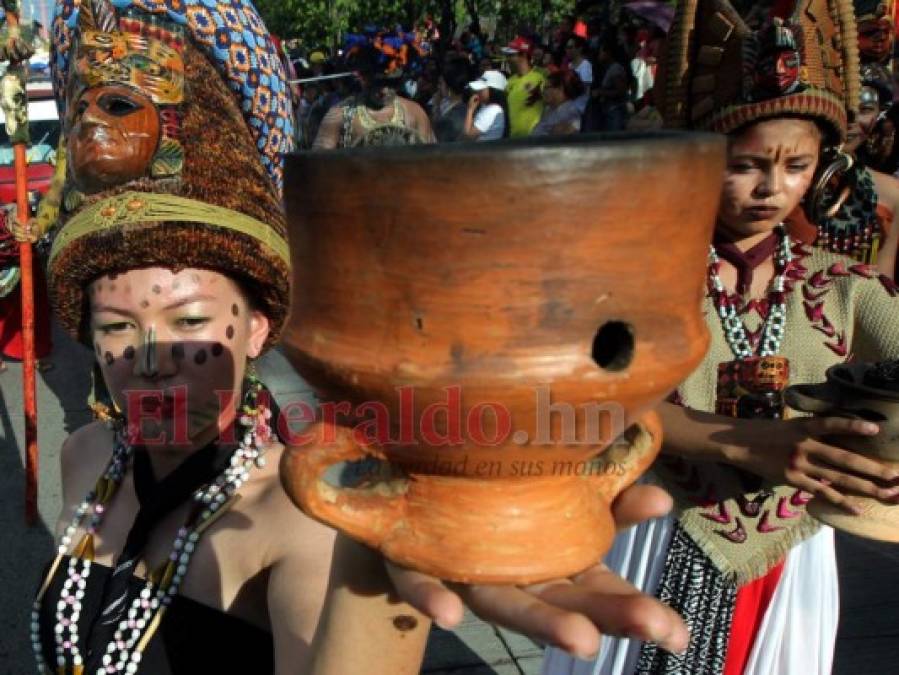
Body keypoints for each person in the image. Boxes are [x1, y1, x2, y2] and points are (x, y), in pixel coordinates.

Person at [544, 1, 899, 674]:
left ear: (824, 163)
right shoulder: (637, 276)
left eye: (796, 165)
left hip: (788, 555)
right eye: (745, 165)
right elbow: (587, 397)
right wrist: (751, 440)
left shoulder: (841, 284)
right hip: (653, 528)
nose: (771, 188)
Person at [33, 2, 338, 672]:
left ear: (257, 326)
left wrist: (375, 597)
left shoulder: (296, 521)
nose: (147, 361)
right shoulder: (85, 458)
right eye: (114, 326)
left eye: (191, 320)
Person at [313, 45, 435, 149]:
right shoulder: (339, 115)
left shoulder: (414, 113)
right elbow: (319, 166)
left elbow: (433, 162)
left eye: (390, 83)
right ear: (364, 79)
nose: (384, 91)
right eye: (378, 84)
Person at [504, 36, 546, 137]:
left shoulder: (539, 78)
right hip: (512, 139)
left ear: (523, 55)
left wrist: (539, 93)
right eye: (507, 56)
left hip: (533, 139)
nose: (508, 59)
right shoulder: (509, 81)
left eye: (511, 55)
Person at [596, 37, 634, 132]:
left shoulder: (615, 69)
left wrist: (601, 93)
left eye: (601, 52)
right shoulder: (609, 68)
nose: (599, 55)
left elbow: (620, 91)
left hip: (616, 112)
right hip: (610, 112)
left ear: (608, 53)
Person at [432, 55, 473, 143]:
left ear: (449, 87)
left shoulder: (450, 119)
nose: (438, 87)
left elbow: (436, 140)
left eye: (441, 83)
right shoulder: (469, 108)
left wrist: (436, 106)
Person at [531, 69, 584, 136]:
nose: (544, 91)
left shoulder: (571, 111)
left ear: (560, 88)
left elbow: (572, 130)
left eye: (547, 87)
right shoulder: (548, 110)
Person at [464, 69, 509, 141]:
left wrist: (470, 110)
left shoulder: (493, 110)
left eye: (482, 90)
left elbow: (468, 135)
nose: (478, 92)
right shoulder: (486, 107)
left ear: (493, 91)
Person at [565, 35, 592, 115]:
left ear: (579, 48)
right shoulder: (569, 65)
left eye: (570, 47)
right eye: (566, 47)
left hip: (580, 109)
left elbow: (585, 88)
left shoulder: (585, 65)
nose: (567, 50)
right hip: (569, 108)